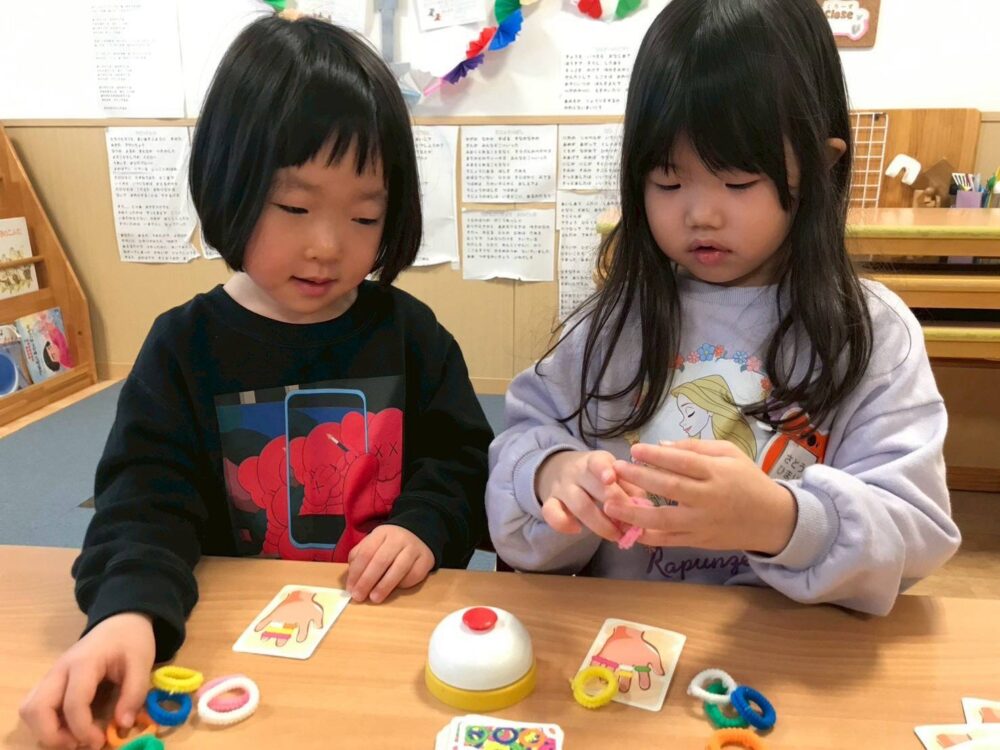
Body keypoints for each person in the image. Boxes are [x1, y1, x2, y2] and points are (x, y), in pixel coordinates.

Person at [20, 14, 491, 749]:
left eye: (365, 215)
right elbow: (144, 502)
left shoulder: (411, 334)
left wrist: (423, 525)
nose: (327, 245)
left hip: (390, 636)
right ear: (229, 185)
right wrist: (127, 612)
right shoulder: (184, 347)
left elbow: (463, 461)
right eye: (294, 207)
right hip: (232, 649)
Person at [486, 0, 960, 612]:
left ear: (818, 167)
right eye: (667, 180)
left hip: (792, 647)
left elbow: (914, 529)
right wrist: (552, 473)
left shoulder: (869, 332)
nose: (701, 213)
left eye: (738, 182)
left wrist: (781, 520)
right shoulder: (614, 321)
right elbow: (524, 440)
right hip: (628, 639)